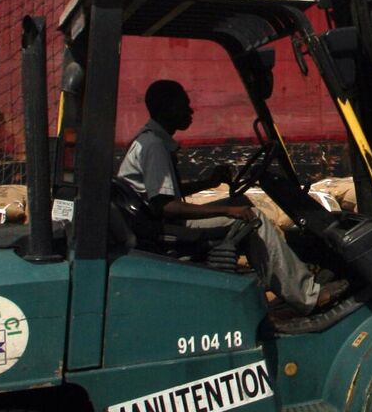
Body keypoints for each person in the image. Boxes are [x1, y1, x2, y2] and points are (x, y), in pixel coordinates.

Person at [116, 79, 334, 313]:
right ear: (167, 108)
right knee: (254, 219)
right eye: (184, 105)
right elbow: (166, 205)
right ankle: (307, 296)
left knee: (241, 203)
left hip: (159, 221)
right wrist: (228, 211)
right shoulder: (154, 147)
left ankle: (286, 279)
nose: (191, 111)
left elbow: (163, 192)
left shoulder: (148, 140)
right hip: (166, 226)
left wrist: (209, 183)